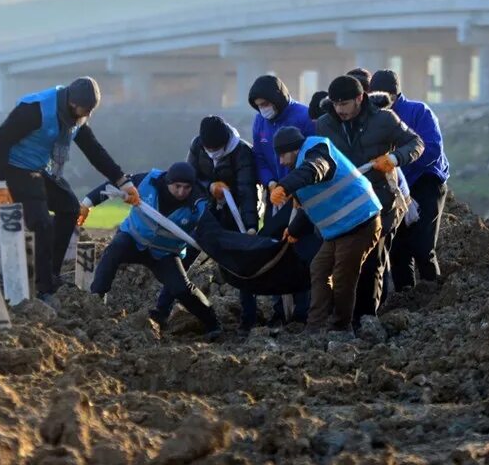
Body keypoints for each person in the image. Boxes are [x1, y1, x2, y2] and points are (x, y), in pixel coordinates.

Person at [0, 77, 138, 301]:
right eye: (80, 110)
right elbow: (0, 139)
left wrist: (122, 181)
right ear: (70, 101)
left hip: (36, 168)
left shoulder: (77, 120)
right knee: (41, 223)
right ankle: (43, 288)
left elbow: (94, 151)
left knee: (69, 207)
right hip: (11, 168)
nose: (82, 115)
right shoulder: (36, 109)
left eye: (87, 111)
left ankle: (51, 273)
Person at [315, 75, 424, 322]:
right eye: (335, 104)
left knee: (373, 262)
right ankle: (344, 319)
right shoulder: (324, 125)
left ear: (360, 98)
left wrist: (394, 159)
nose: (340, 110)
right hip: (347, 206)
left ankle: (368, 319)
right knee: (344, 264)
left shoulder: (384, 119)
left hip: (382, 203)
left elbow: (416, 143)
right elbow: (320, 159)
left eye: (345, 104)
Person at [145, 116, 261, 334]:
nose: (211, 152)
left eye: (215, 148)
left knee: (241, 266)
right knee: (182, 259)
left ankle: (249, 320)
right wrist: (210, 188)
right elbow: (191, 180)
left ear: (225, 142)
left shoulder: (242, 152)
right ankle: (161, 311)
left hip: (234, 215)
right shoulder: (197, 146)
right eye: (208, 148)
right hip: (204, 212)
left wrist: (250, 226)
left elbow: (247, 191)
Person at [83, 162, 222, 340]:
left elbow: (212, 232)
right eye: (177, 187)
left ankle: (213, 323)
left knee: (181, 288)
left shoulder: (198, 203)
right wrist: (86, 204)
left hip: (164, 253)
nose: (181, 192)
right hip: (133, 239)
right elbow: (111, 186)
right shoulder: (147, 181)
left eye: (186, 188)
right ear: (167, 182)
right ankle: (96, 301)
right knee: (113, 251)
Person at [269, 127, 382, 332]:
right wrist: (294, 230)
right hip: (339, 229)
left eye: (283, 154)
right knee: (319, 269)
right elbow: (312, 205)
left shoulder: (317, 151)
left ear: (294, 149)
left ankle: (341, 328)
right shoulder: (301, 170)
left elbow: (315, 169)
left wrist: (284, 186)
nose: (281, 161)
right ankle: (315, 327)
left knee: (342, 278)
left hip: (361, 221)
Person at [369, 69, 451, 290]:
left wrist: (399, 167)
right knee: (398, 248)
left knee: (423, 246)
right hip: (394, 186)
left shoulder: (418, 111)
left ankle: (432, 292)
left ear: (395, 94)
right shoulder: (372, 117)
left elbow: (431, 150)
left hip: (426, 180)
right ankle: (406, 299)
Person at [248, 74, 315, 324]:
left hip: (301, 194)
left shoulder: (303, 116)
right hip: (275, 195)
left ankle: (303, 310)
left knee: (299, 247)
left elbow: (313, 157)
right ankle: (279, 309)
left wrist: (292, 186)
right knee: (275, 248)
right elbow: (260, 158)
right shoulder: (259, 122)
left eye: (266, 103)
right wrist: (271, 183)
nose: (262, 109)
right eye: (258, 105)